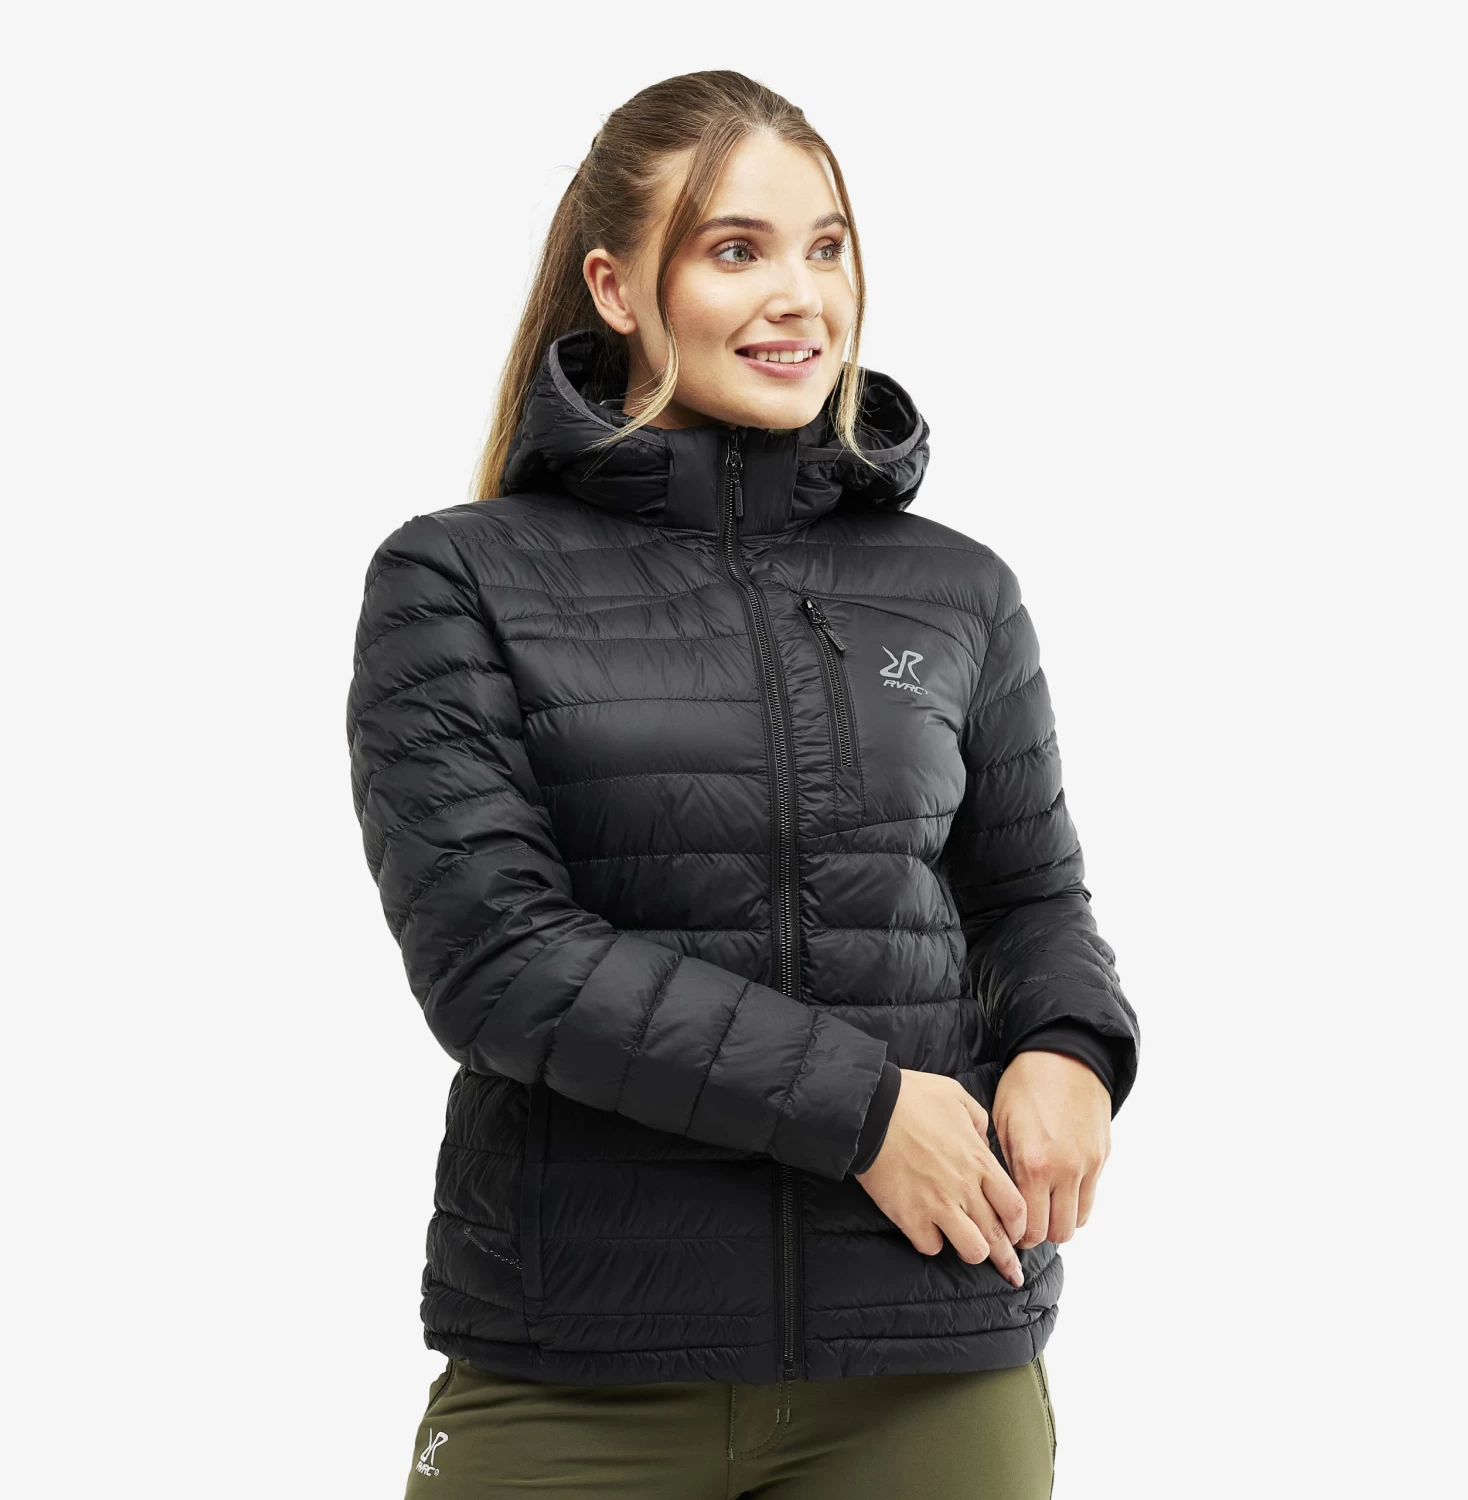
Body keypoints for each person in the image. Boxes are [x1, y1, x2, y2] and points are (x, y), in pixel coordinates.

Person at [346, 68, 1140, 1500]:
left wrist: (1073, 1051)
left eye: (826, 247)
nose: (799, 298)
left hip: (927, 1353)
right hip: (581, 1363)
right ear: (616, 287)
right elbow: (496, 962)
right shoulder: (457, 579)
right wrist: (864, 1112)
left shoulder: (955, 589)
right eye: (736, 249)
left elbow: (1030, 899)